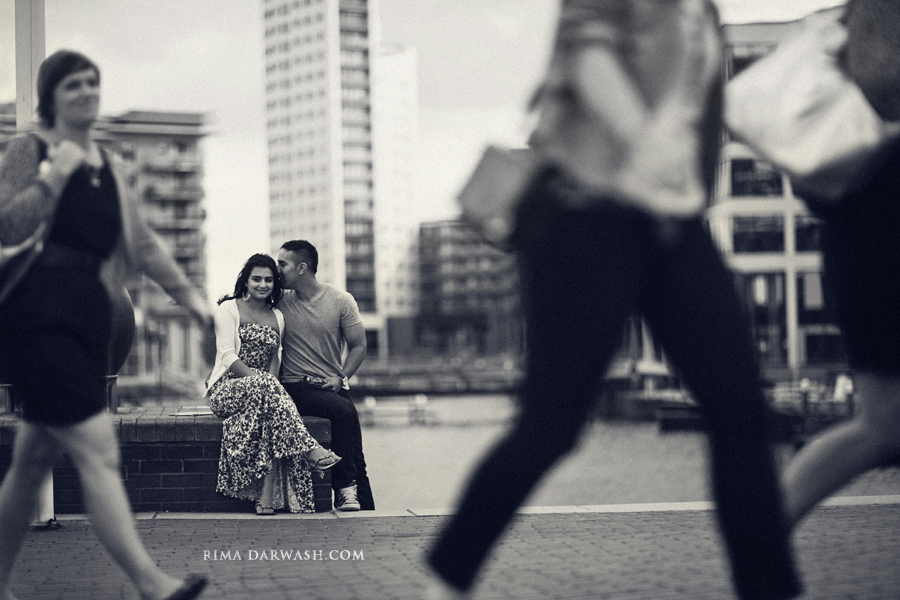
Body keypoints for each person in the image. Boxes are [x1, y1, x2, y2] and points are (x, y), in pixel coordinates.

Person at [425, 2, 801, 600]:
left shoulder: (703, 8)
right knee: (550, 427)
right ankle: (446, 582)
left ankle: (771, 590)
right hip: (587, 216)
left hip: (675, 224)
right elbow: (587, 51)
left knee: (741, 413)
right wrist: (644, 141)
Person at [0, 50, 209, 600]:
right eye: (73, 84)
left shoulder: (110, 166)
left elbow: (142, 244)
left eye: (93, 82)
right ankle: (151, 584)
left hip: (90, 316)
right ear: (51, 96)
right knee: (98, 449)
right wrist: (53, 177)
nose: (87, 91)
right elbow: (6, 226)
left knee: (32, 463)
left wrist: (191, 299)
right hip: (37, 316)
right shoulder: (29, 150)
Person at [781, 0, 900, 527]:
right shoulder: (879, 14)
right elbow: (883, 80)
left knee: (885, 424)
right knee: (885, 424)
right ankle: (759, 543)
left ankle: (759, 542)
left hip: (873, 225)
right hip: (880, 231)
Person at [206, 253, 340, 515]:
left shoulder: (277, 315)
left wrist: (269, 386)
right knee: (268, 390)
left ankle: (265, 499)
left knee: (272, 419)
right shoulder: (228, 309)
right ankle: (311, 449)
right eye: (256, 279)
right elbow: (227, 356)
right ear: (246, 281)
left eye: (268, 280)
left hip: (264, 390)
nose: (262, 284)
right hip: (228, 389)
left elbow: (274, 359)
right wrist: (263, 382)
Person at [276, 240, 374, 511]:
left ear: (302, 268)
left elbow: (359, 345)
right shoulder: (280, 300)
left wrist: (341, 377)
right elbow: (247, 298)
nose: (277, 269)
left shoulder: (342, 300)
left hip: (333, 387)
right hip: (296, 386)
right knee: (344, 411)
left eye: (283, 263)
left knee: (357, 458)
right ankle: (343, 490)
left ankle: (367, 515)